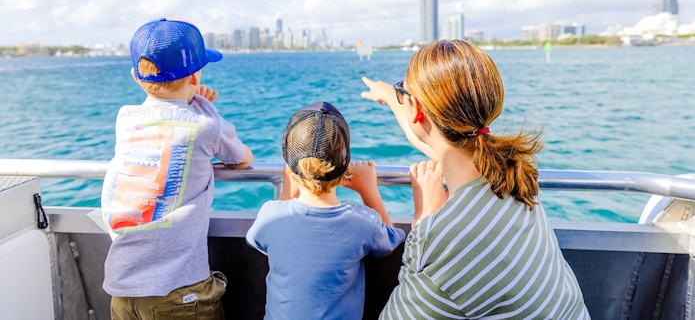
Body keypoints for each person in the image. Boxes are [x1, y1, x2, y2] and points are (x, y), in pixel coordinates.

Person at [361, 40, 591, 319]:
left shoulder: (442, 242)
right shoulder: (513, 172)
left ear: (417, 110)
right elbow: (430, 137)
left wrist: (424, 219)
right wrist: (391, 94)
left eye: (403, 92)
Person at [101, 17, 253, 320]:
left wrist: (190, 100)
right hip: (180, 295)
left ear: (135, 76)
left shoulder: (125, 118)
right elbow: (242, 158)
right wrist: (204, 105)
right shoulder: (205, 123)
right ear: (196, 76)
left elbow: (161, 112)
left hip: (123, 290)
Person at [245, 101, 406, 320]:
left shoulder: (270, 215)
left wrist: (286, 193)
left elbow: (261, 243)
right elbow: (389, 243)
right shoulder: (363, 223)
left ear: (288, 167)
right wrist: (369, 191)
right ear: (345, 166)